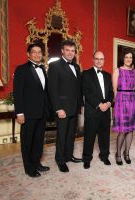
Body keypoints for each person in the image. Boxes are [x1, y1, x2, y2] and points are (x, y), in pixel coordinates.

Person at [13, 43, 50, 177]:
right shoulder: (21, 69)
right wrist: (19, 113)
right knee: (27, 141)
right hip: (28, 113)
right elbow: (18, 93)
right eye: (34, 52)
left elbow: (44, 92)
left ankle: (36, 163)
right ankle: (29, 168)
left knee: (39, 140)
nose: (37, 54)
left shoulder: (43, 69)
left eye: (39, 52)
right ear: (28, 54)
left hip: (41, 113)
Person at [48, 39, 83, 173]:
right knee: (62, 135)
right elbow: (53, 89)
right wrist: (58, 108)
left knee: (71, 135)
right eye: (67, 50)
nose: (70, 53)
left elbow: (77, 87)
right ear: (62, 51)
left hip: (74, 107)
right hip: (62, 108)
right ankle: (60, 160)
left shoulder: (76, 66)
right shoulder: (55, 66)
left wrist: (80, 105)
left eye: (72, 51)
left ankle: (69, 156)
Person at [81, 51, 114, 169]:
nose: (99, 61)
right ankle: (87, 158)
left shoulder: (107, 75)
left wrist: (109, 103)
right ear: (93, 59)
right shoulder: (86, 74)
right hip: (93, 110)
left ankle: (104, 156)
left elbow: (111, 92)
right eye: (97, 58)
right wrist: (99, 104)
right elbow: (86, 92)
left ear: (104, 60)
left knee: (105, 135)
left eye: (102, 59)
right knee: (89, 136)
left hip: (106, 111)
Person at [112, 50, 135, 165]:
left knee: (130, 129)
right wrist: (117, 105)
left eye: (130, 57)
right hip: (121, 100)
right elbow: (114, 91)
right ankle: (118, 154)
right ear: (122, 58)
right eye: (126, 57)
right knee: (122, 130)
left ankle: (126, 153)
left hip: (132, 100)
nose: (128, 59)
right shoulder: (117, 71)